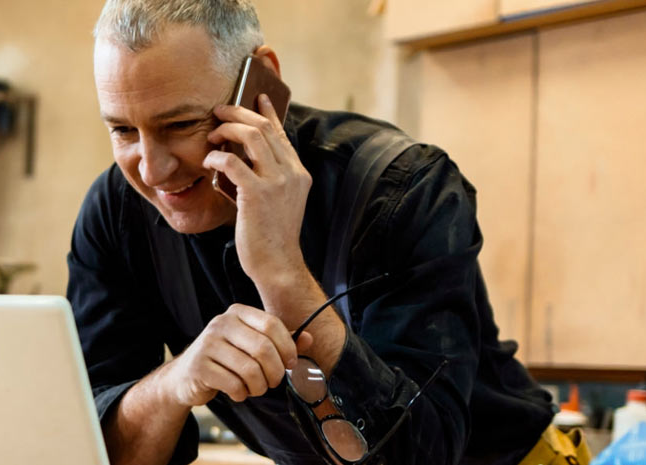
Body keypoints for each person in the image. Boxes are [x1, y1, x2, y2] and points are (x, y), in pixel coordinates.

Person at [66, 1, 556, 464]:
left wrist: (281, 274)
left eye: (180, 124)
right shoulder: (117, 215)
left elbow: (421, 452)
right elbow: (90, 446)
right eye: (123, 131)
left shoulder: (402, 189)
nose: (151, 170)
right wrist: (174, 384)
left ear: (263, 81)